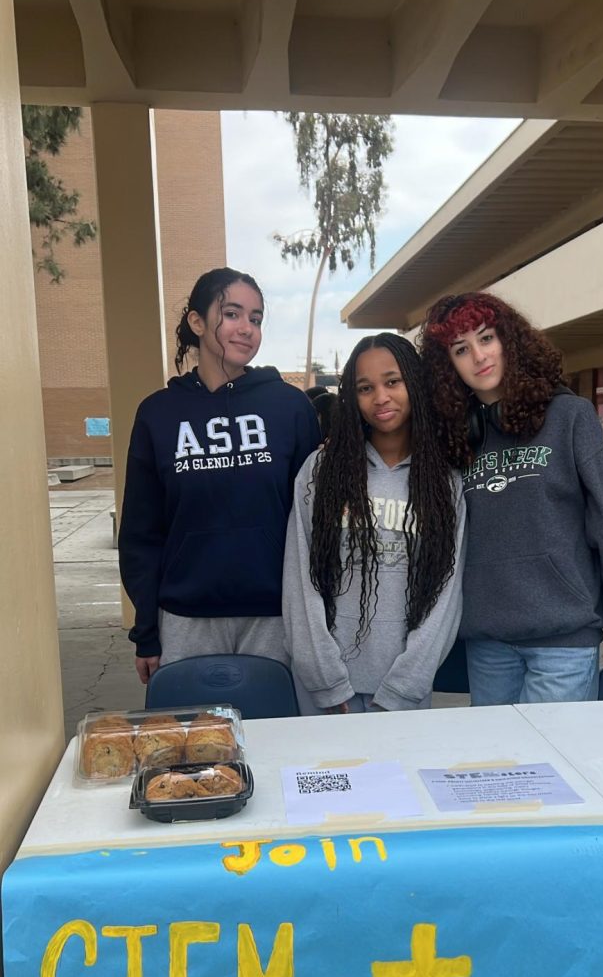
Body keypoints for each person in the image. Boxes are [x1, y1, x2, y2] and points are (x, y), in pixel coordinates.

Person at [419, 291, 603, 705]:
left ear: (510, 340)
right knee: (499, 765)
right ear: (448, 367)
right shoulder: (455, 441)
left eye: (486, 338)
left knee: (554, 768)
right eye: (460, 349)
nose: (478, 356)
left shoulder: (571, 418)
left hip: (563, 640)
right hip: (489, 642)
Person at [119, 267, 321, 684]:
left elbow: (314, 521)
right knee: (192, 745)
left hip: (276, 615)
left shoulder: (290, 408)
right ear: (197, 322)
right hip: (185, 618)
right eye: (232, 314)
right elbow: (141, 531)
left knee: (278, 742)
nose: (246, 328)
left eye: (256, 318)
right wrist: (146, 632)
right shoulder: (158, 414)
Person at [283, 332, 466, 713]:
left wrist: (405, 687)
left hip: (402, 692)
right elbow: (300, 582)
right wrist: (326, 683)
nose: (380, 397)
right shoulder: (320, 472)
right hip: (328, 692)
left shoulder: (444, 482)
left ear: (413, 384)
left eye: (393, 382)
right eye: (365, 387)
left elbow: (445, 596)